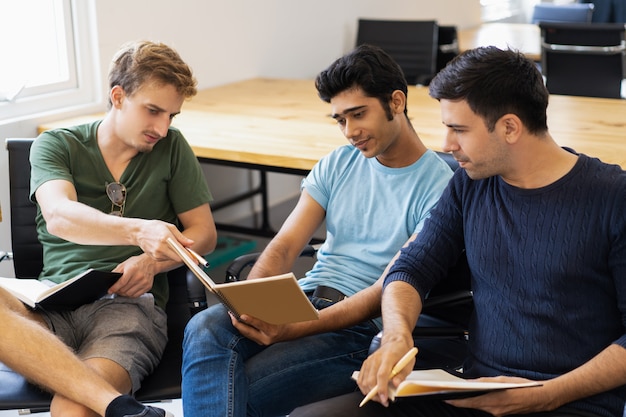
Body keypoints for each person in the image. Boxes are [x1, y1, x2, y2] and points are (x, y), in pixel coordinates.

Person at [290, 46, 626, 417]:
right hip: (475, 391)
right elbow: (411, 268)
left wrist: (545, 394)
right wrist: (397, 335)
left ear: (510, 127)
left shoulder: (613, 198)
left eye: (458, 130)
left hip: (569, 402)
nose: (447, 145)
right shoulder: (470, 184)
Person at [181, 44, 455, 417]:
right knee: (205, 327)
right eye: (340, 120)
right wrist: (247, 304)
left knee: (236, 392)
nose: (350, 132)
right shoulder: (340, 162)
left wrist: (291, 329)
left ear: (395, 102)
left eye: (358, 114)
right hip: (303, 297)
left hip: (359, 328)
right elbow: (284, 246)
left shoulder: (439, 189)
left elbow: (388, 289)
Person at [24, 40, 217, 417]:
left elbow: (204, 234)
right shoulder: (56, 145)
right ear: (117, 96)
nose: (162, 128)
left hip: (127, 307)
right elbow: (60, 216)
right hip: (52, 301)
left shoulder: (172, 148)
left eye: (172, 116)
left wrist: (152, 263)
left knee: (73, 407)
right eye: (153, 111)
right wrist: (139, 232)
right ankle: (124, 409)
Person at [0, 287, 173, 417]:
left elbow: (198, 241)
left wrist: (152, 262)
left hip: (121, 303)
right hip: (45, 307)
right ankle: (118, 404)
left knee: (73, 411)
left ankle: (116, 405)